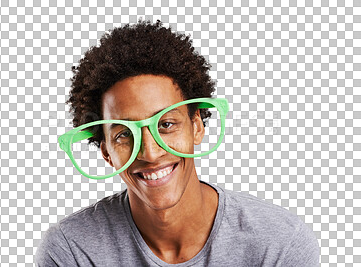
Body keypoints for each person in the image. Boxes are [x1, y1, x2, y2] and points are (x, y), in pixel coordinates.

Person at [35, 19, 320, 266]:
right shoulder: (72, 250)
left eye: (166, 125)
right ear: (107, 152)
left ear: (197, 126)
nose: (150, 151)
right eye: (124, 134)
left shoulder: (279, 243)